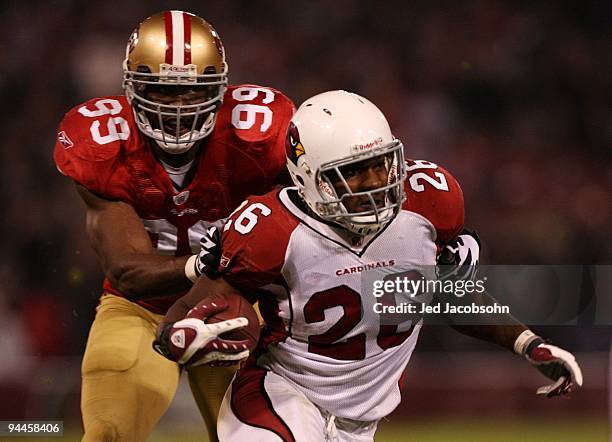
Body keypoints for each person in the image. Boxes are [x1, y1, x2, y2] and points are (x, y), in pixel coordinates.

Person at [155, 91, 583, 441]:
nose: (378, 182)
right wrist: (182, 337)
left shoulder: (429, 204)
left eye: (382, 163)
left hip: (361, 423)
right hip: (281, 397)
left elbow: (449, 296)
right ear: (307, 175)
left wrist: (527, 343)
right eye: (356, 172)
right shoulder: (271, 229)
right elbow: (190, 310)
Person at [53, 10, 294, 442]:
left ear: (220, 90)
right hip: (139, 310)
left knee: (260, 438)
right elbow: (128, 270)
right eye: (162, 91)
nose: (178, 105)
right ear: (132, 89)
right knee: (109, 434)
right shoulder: (100, 141)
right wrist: (213, 261)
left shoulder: (261, 134)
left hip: (233, 303)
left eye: (191, 90)